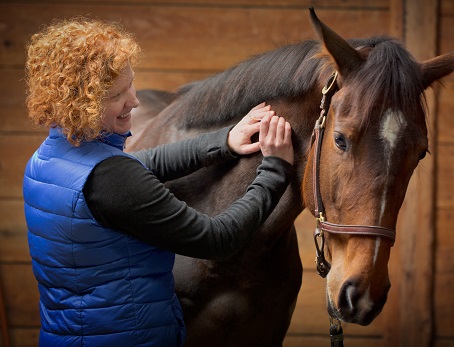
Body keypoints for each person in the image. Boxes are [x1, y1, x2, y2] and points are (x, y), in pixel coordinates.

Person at [23, 18, 294, 347]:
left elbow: (137, 165)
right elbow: (217, 240)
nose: (134, 102)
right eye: (116, 95)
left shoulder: (48, 158)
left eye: (131, 85)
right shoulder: (111, 181)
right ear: (81, 106)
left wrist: (225, 140)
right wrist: (275, 168)